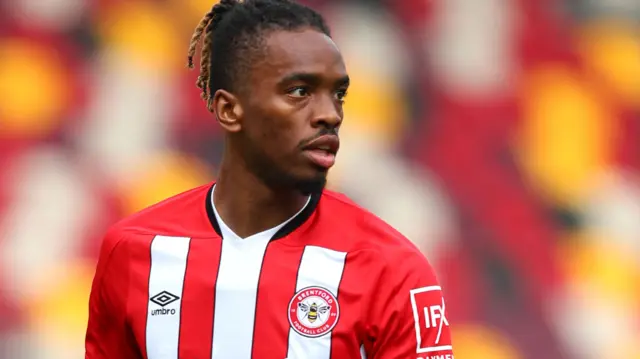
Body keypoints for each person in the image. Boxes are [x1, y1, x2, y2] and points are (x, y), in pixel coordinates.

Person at [84, 0, 454, 358]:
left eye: (337, 95)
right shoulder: (133, 253)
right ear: (230, 109)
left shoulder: (392, 267)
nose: (326, 114)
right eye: (297, 92)